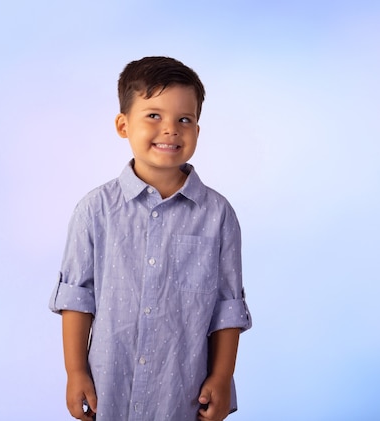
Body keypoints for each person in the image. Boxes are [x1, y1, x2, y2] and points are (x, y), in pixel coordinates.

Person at [49, 56, 251, 421]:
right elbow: (78, 297)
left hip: (182, 395)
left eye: (184, 119)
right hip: (110, 390)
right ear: (123, 125)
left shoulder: (218, 215)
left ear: (197, 131)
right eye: (154, 115)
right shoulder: (94, 211)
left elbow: (227, 306)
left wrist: (222, 377)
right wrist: (75, 371)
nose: (171, 129)